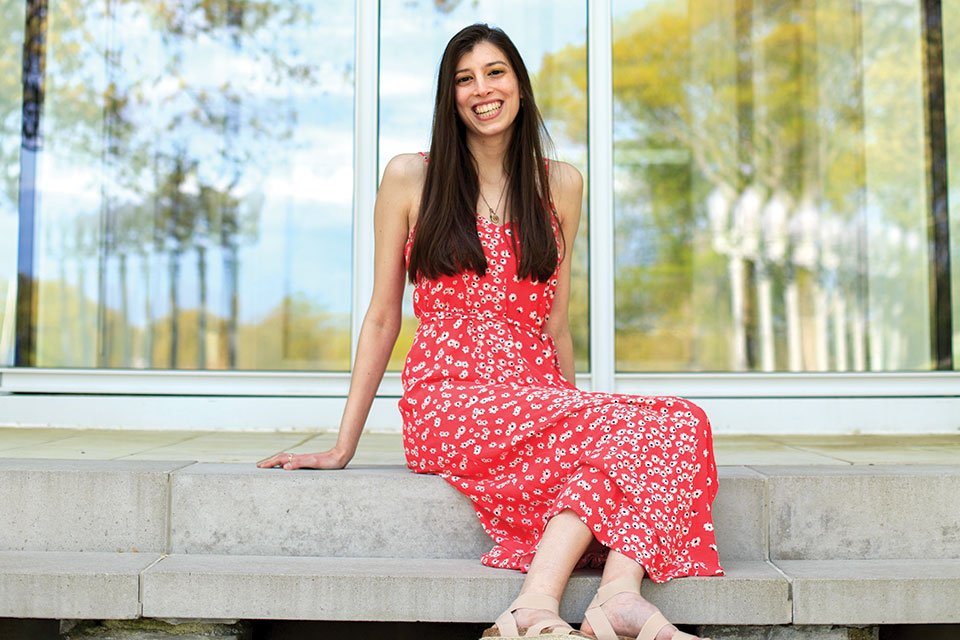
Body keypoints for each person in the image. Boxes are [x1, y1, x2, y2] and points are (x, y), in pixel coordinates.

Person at [258, 23, 722, 640]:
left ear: (520, 86)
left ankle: (610, 596)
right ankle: (541, 607)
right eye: (464, 78)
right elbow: (381, 318)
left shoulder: (561, 184)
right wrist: (343, 446)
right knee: (642, 430)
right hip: (450, 398)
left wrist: (575, 410)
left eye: (495, 72)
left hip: (533, 394)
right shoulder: (410, 178)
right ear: (450, 98)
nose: (482, 89)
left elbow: (555, 321)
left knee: (682, 420)